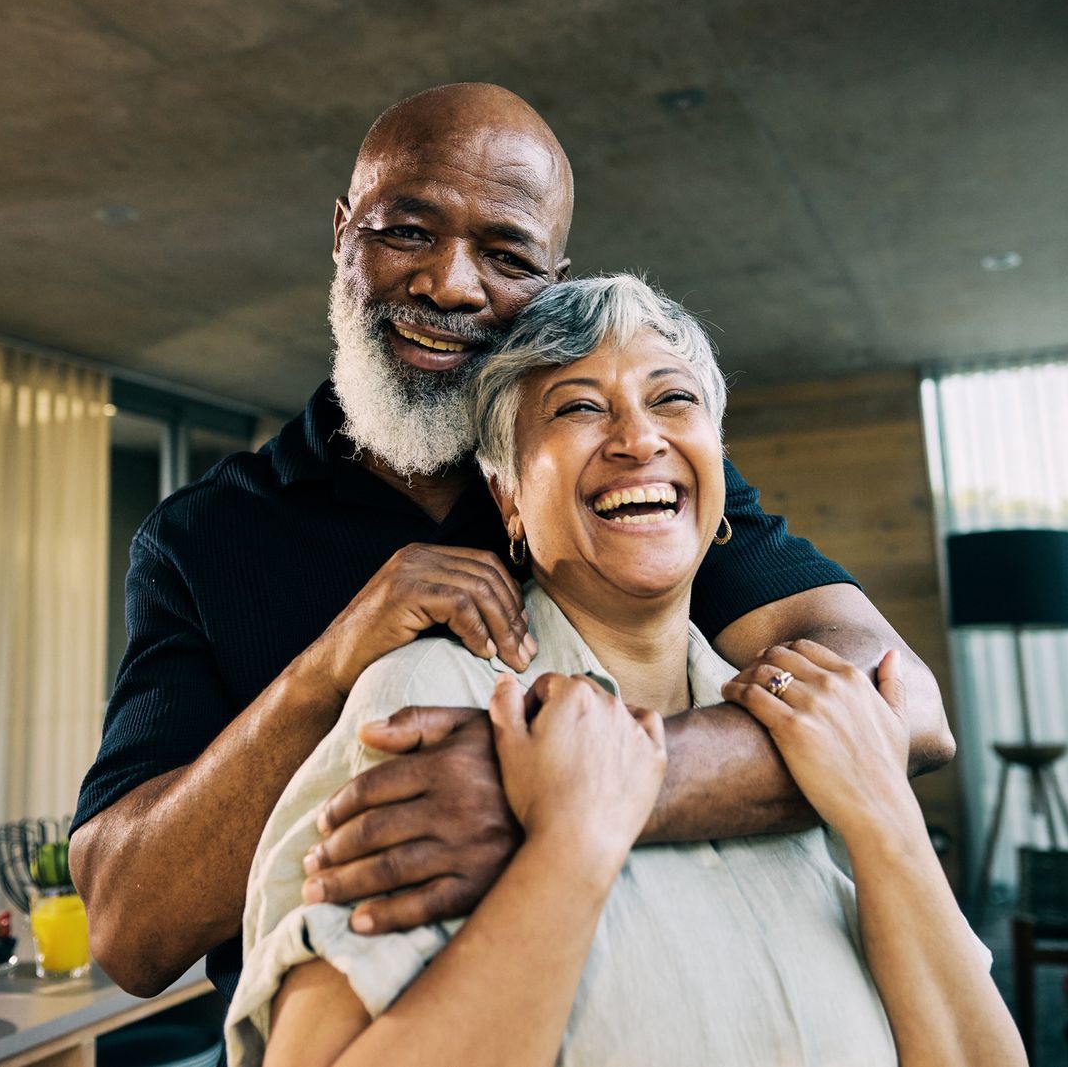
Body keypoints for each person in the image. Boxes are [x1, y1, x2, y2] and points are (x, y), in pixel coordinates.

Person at [70, 83, 956, 1003]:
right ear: (343, 236)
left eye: (505, 253)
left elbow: (902, 706)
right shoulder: (202, 536)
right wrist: (326, 668)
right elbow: (128, 931)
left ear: (553, 279)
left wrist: (549, 794)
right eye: (407, 232)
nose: (451, 284)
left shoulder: (618, 483)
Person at [225, 275, 1021, 1066]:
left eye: (673, 400)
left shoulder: (808, 721)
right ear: (506, 496)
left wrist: (884, 814)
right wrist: (572, 839)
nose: (639, 439)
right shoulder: (428, 702)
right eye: (578, 406)